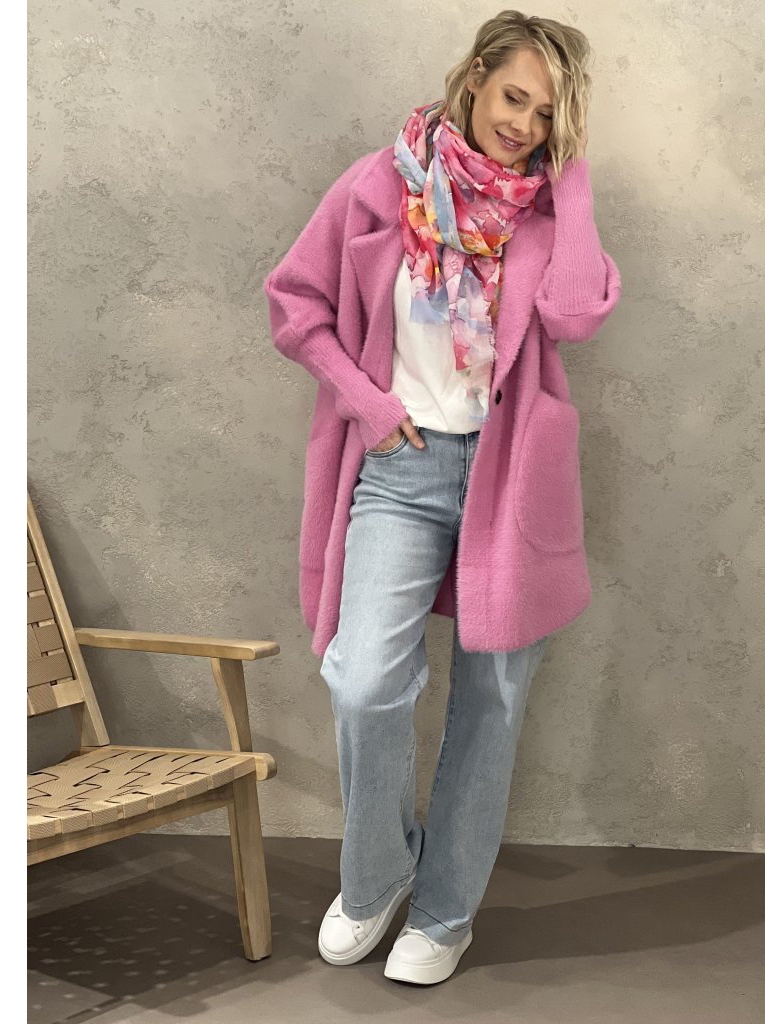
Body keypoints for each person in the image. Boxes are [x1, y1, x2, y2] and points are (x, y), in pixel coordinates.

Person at [263, 9, 621, 985]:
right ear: (474, 78)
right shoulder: (381, 185)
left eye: (547, 115)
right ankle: (378, 875)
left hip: (512, 478)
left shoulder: (549, 212)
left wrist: (572, 182)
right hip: (401, 468)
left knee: (491, 702)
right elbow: (293, 303)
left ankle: (446, 909)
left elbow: (576, 314)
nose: (523, 126)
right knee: (363, 680)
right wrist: (369, 406)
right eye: (514, 98)